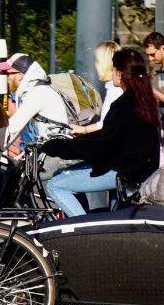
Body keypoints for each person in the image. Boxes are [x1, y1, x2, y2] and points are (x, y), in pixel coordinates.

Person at [42, 48, 162, 217]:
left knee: (56, 184)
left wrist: (58, 147)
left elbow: (102, 145)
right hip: (139, 170)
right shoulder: (144, 102)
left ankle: (84, 231)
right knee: (67, 177)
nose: (111, 72)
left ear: (120, 73)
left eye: (113, 68)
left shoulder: (124, 105)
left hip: (123, 171)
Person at [0, 53, 71, 155]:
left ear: (20, 75)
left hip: (55, 153)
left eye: (8, 73)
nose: (7, 78)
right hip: (48, 149)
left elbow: (13, 126)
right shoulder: (32, 91)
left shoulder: (38, 93)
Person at [70, 41, 122, 135]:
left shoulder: (115, 90)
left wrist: (83, 129)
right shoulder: (116, 87)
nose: (96, 65)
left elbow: (104, 125)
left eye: (97, 61)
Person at [142, 31, 164, 104]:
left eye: (152, 54)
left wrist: (150, 89)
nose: (150, 58)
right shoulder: (160, 69)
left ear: (162, 48)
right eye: (147, 55)